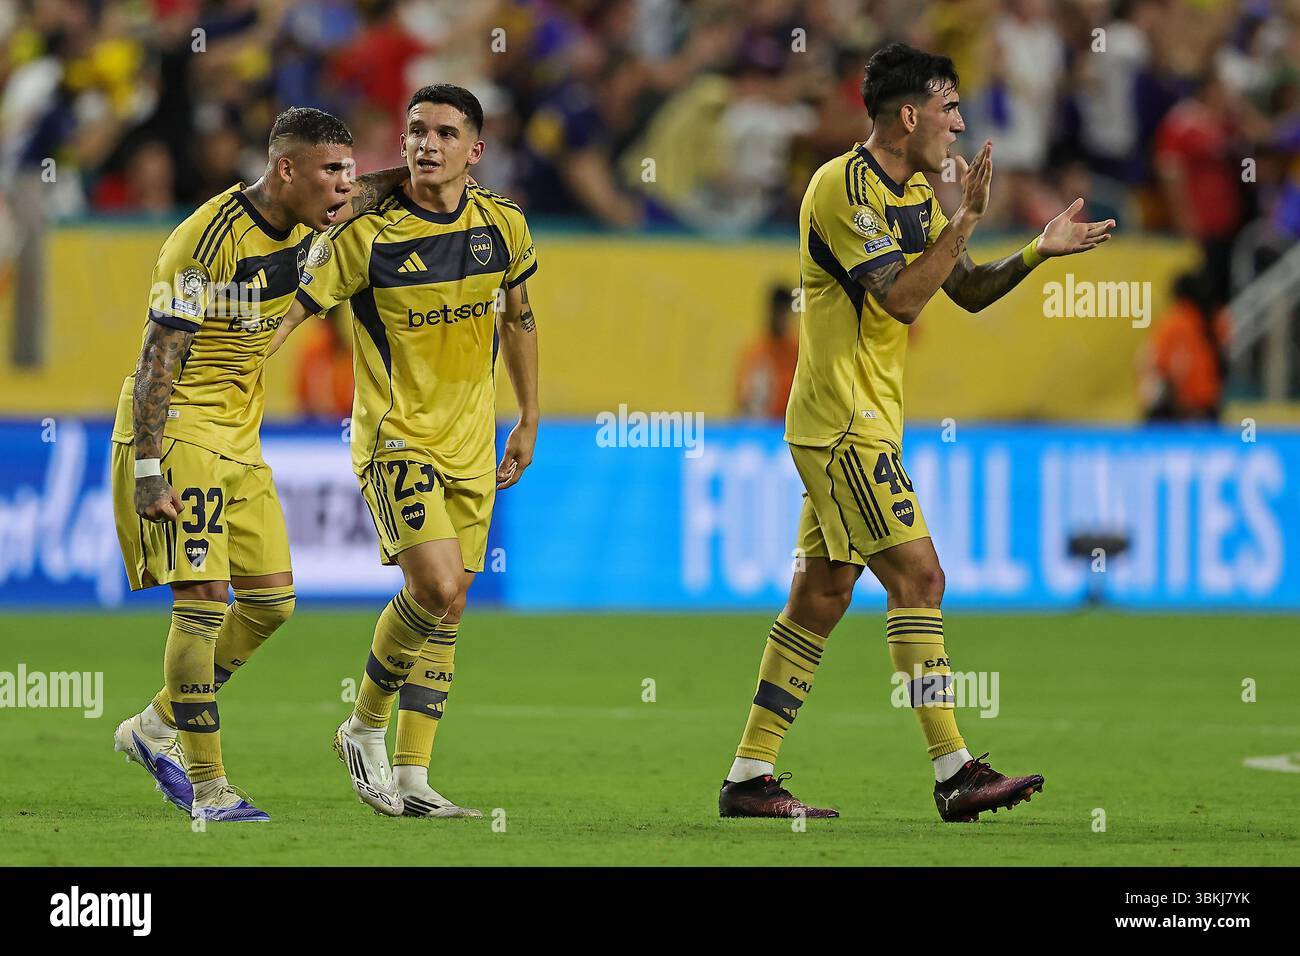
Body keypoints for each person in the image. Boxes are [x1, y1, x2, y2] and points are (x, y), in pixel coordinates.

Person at [718, 43, 1115, 822]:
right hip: (842, 425)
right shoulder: (842, 187)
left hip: (867, 422)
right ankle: (954, 768)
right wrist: (965, 217)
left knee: (822, 598)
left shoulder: (916, 196)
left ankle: (748, 776)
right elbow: (901, 299)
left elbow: (960, 290)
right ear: (910, 115)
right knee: (921, 578)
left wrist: (1036, 251)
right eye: (951, 108)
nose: (960, 125)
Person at [109, 108, 407, 823]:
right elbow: (158, 356)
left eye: (347, 169)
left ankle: (153, 729)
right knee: (205, 600)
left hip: (242, 438)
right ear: (286, 170)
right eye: (332, 170)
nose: (346, 185)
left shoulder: (313, 209)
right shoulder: (206, 241)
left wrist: (434, 170)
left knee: (272, 602)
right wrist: (149, 469)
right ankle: (209, 791)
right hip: (180, 429)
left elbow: (374, 192)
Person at [269, 84, 539, 818]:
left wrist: (529, 418)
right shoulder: (365, 238)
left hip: (471, 443)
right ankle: (363, 726)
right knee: (437, 586)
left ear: (475, 150)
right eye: (416, 130)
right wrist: (232, 372)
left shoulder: (504, 226)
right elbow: (289, 315)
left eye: (446, 133)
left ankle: (415, 776)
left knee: (449, 609)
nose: (427, 143)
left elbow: (518, 320)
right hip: (395, 441)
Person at [735, 284, 799, 419]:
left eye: (784, 313)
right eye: (777, 312)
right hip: (762, 428)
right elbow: (743, 400)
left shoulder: (797, 352)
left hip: (789, 427)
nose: (780, 318)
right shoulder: (756, 352)